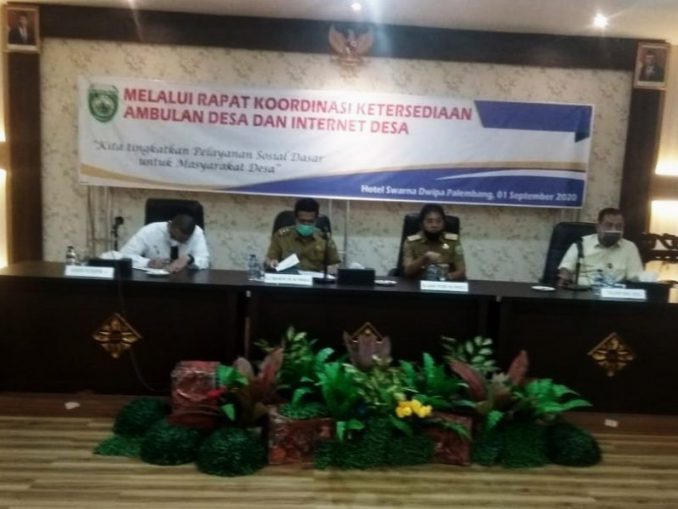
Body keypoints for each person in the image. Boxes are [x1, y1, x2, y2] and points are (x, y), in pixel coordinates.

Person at [558, 207, 643, 287]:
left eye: (619, 226)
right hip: (583, 291)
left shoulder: (629, 247)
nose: (614, 230)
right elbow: (565, 272)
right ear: (598, 227)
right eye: (609, 225)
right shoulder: (581, 243)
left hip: (614, 294)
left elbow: (635, 278)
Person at [265, 198, 340, 272]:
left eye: (310, 221)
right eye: (302, 221)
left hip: (316, 278)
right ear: (295, 219)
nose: (306, 224)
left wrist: (331, 269)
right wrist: (272, 262)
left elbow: (335, 264)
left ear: (316, 220)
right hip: (288, 277)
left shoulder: (324, 238)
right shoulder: (282, 236)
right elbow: (270, 259)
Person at [120, 214, 210, 272]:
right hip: (154, 282)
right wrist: (148, 262)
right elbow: (124, 256)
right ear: (169, 225)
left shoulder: (197, 233)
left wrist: (190, 259)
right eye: (173, 236)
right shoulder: (150, 230)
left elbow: (205, 261)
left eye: (182, 240)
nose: (175, 242)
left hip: (186, 283)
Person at [401, 203, 466, 281]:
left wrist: (444, 278)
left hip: (445, 283)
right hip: (418, 284)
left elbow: (461, 271)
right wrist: (424, 258)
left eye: (439, 221)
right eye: (429, 221)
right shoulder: (411, 242)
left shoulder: (453, 241)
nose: (434, 225)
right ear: (421, 224)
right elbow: (407, 272)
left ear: (444, 223)